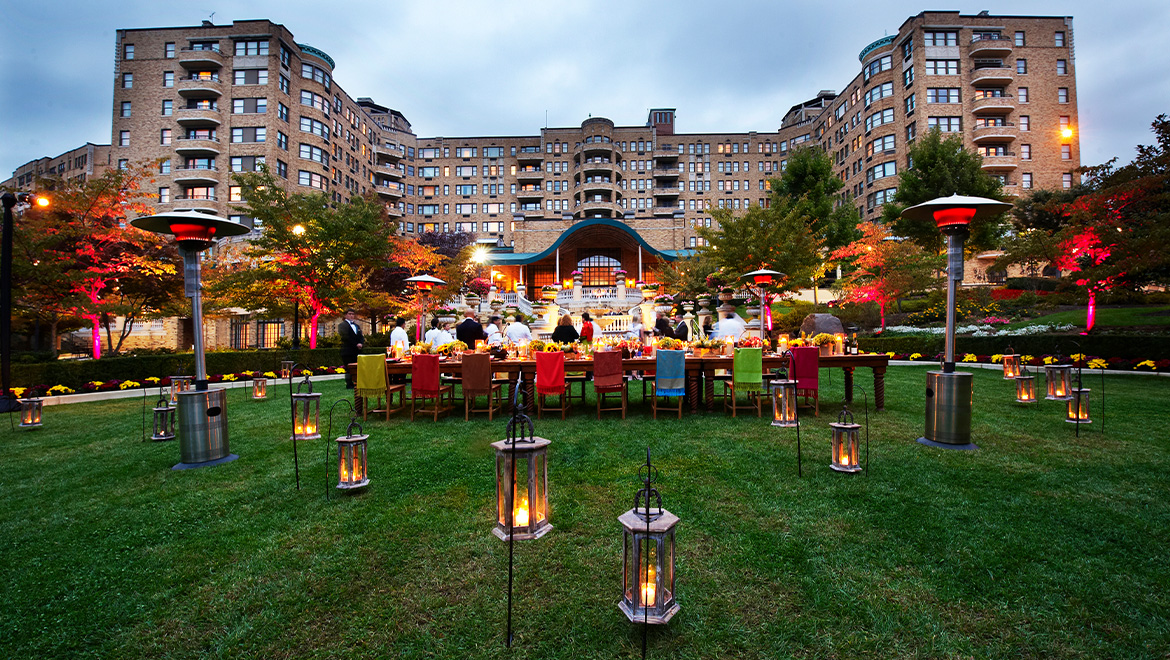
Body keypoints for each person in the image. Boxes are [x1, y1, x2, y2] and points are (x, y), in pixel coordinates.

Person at [337, 309, 364, 389]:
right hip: (347, 350)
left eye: (353, 314)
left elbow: (361, 336)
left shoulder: (357, 326)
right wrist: (356, 344)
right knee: (349, 368)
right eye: (350, 314)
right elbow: (345, 337)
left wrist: (361, 343)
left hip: (357, 351)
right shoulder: (342, 325)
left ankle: (357, 382)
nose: (351, 316)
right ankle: (349, 384)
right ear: (345, 315)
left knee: (357, 367)